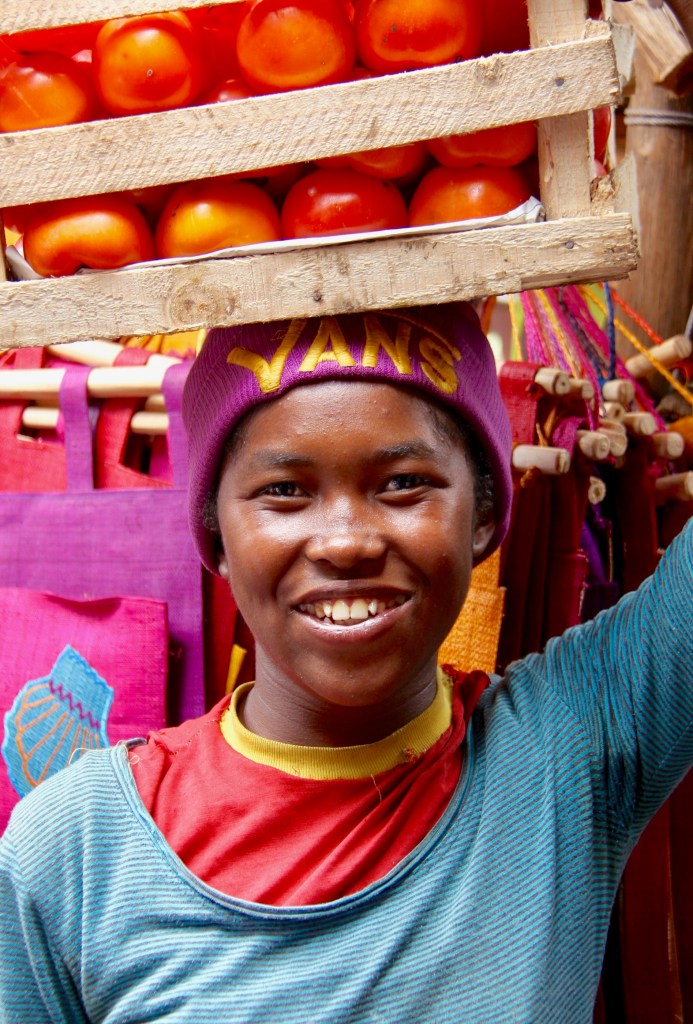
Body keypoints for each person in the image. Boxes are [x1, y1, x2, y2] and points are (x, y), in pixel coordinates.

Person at [0, 303, 691, 1024]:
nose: (345, 542)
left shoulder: (570, 750)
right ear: (215, 535)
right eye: (284, 492)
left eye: (401, 483)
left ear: (484, 515)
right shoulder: (76, 850)